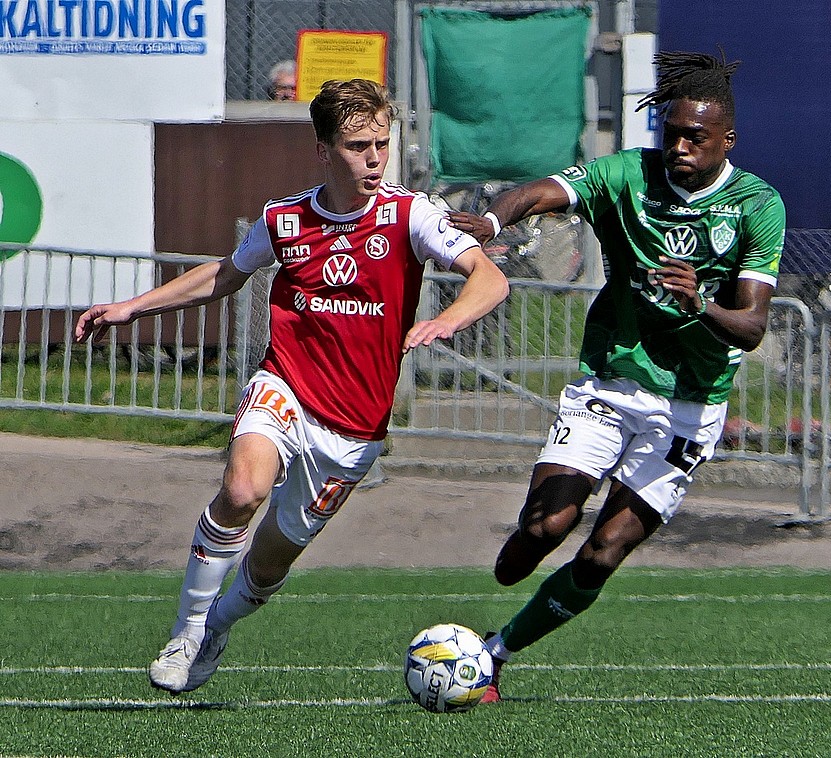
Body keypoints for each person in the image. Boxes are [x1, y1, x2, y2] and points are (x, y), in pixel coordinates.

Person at [74, 78, 509, 694]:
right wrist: (132, 307)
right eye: (358, 146)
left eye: (382, 144)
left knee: (271, 557)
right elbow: (225, 274)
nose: (375, 159)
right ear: (324, 150)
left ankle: (219, 626)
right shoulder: (285, 220)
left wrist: (447, 319)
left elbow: (489, 278)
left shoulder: (412, 215)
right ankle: (188, 630)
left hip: (354, 429)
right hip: (286, 385)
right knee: (242, 489)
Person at [446, 51, 785, 702]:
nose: (679, 147)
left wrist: (699, 304)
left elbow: (751, 327)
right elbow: (543, 191)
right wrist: (492, 219)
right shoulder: (629, 175)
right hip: (609, 383)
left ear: (728, 140)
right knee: (543, 530)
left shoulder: (756, 204)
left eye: (696, 137)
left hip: (691, 406)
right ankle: (526, 548)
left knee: (604, 550)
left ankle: (495, 653)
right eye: (672, 133)